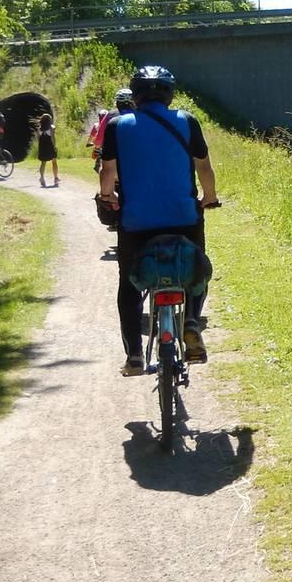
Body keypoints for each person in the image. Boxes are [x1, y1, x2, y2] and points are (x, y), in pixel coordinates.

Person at [97, 66, 218, 376]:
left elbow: (107, 173)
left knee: (128, 284)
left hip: (136, 222)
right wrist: (209, 197)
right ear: (170, 94)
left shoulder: (116, 125)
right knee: (197, 269)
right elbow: (203, 168)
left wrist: (108, 196)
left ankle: (135, 356)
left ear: (135, 96)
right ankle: (191, 320)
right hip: (184, 218)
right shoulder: (187, 121)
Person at [35, 112, 59, 187]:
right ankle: (55, 178)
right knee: (54, 162)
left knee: (43, 163)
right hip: (50, 146)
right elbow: (52, 138)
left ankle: (42, 178)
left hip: (43, 147)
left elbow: (39, 139)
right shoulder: (51, 128)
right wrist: (54, 146)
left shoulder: (39, 129)